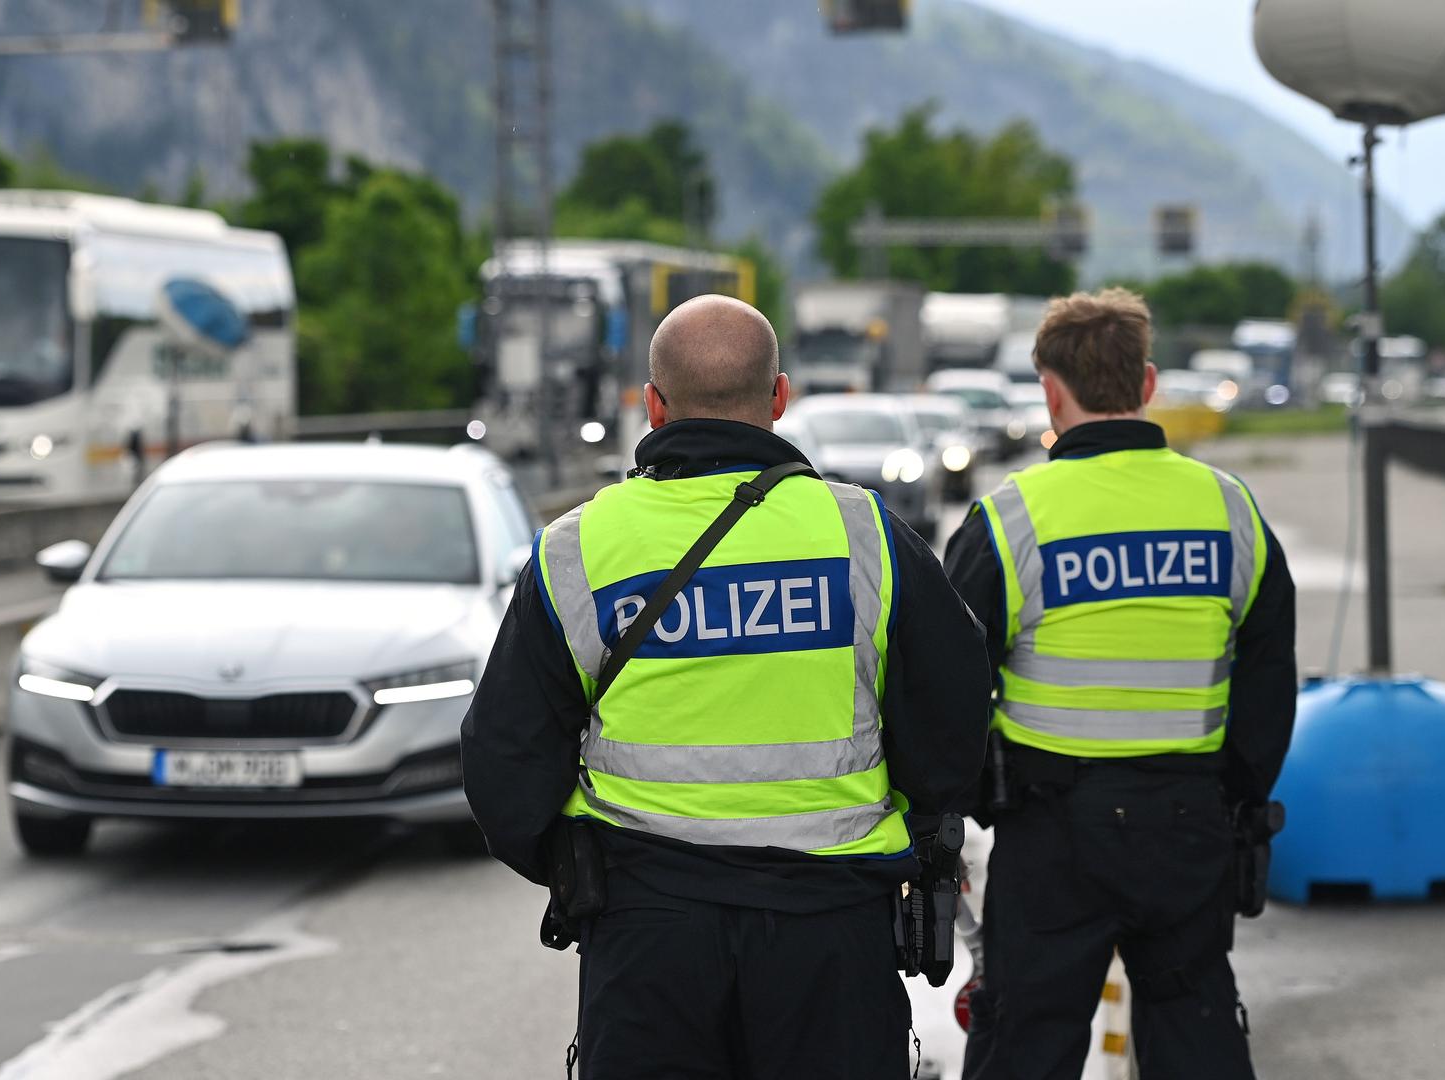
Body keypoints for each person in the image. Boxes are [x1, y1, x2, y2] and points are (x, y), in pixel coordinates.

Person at [461, 294, 991, 1079]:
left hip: (649, 936)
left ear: (653, 405)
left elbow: (503, 758)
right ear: (780, 399)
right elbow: (954, 712)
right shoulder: (866, 535)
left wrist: (583, 867)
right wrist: (912, 830)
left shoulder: (575, 550)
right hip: (832, 933)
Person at [942, 289, 1297, 1080]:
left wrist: (970, 800)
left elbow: (949, 685)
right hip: (1188, 822)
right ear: (1147, 385)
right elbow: (1270, 675)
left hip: (1050, 834)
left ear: (1049, 389)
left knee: (1025, 1039)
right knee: (1194, 1026)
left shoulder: (1011, 520)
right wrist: (1234, 791)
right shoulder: (1229, 510)